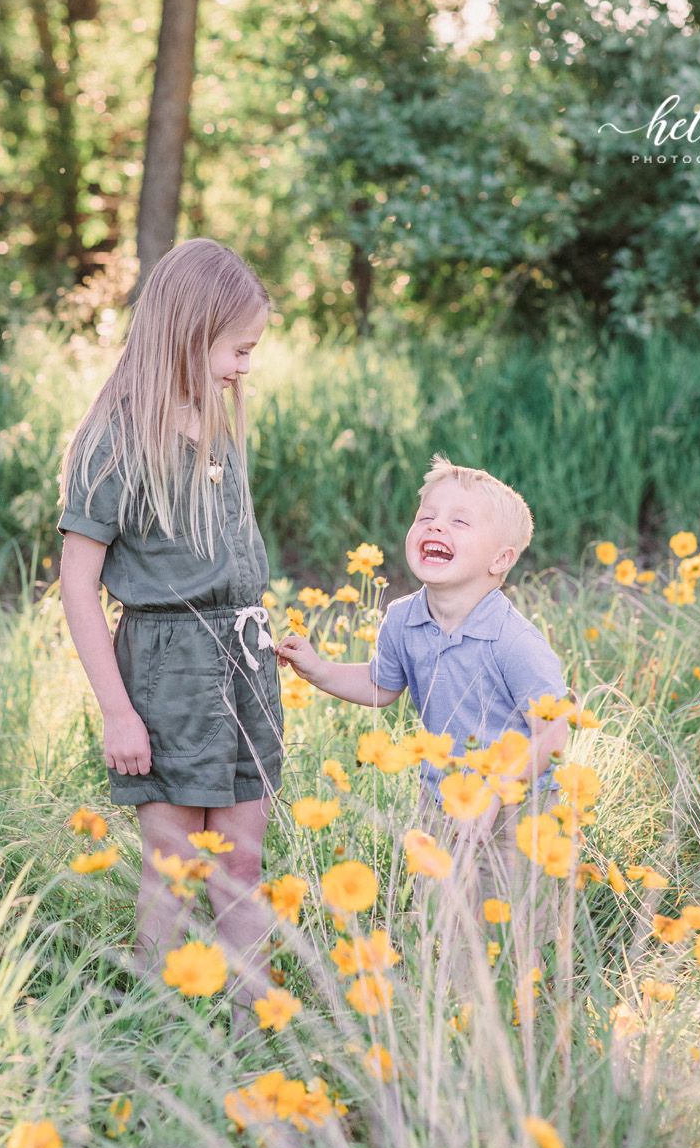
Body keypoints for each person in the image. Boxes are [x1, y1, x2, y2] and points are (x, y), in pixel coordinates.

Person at [57, 239, 282, 1030]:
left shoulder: (215, 421)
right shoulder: (114, 440)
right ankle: (156, 1032)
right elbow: (77, 585)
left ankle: (264, 1033)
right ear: (190, 333)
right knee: (175, 870)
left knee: (242, 863)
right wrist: (120, 713)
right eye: (239, 349)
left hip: (244, 662)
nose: (244, 367)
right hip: (166, 672)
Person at [277, 455, 570, 975]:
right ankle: (458, 1020)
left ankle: (525, 1026)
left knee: (520, 934)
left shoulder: (514, 642)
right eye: (426, 516)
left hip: (520, 812)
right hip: (441, 801)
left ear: (501, 559)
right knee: (451, 924)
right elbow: (380, 684)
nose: (436, 525)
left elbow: (553, 736)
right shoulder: (403, 620)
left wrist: (496, 787)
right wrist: (318, 671)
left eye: (460, 521)